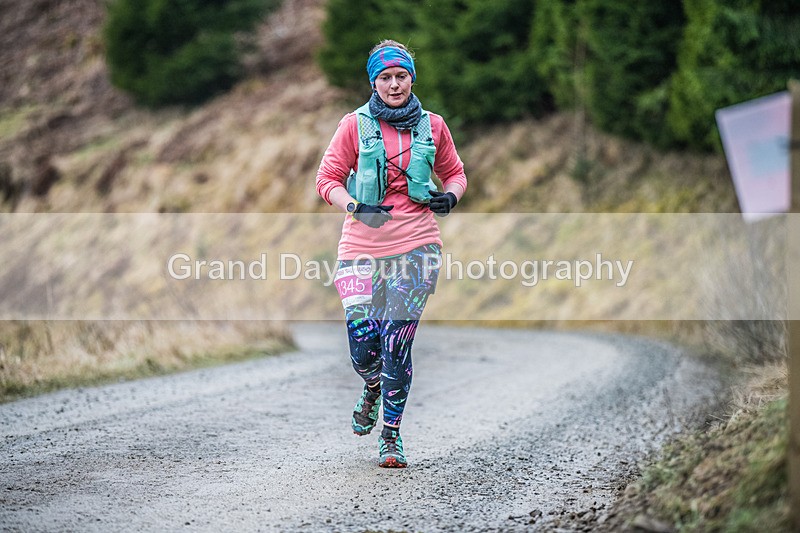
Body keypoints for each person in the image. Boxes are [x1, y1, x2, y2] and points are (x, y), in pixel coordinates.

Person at [316, 40, 467, 468]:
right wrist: (355, 206)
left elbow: (455, 174)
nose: (394, 84)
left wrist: (450, 197)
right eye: (385, 77)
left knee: (396, 342)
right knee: (363, 346)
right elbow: (327, 180)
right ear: (374, 82)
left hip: (418, 245)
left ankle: (391, 436)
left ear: (412, 79)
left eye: (402, 76)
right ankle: (372, 387)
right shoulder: (353, 125)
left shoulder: (433, 125)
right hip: (360, 246)